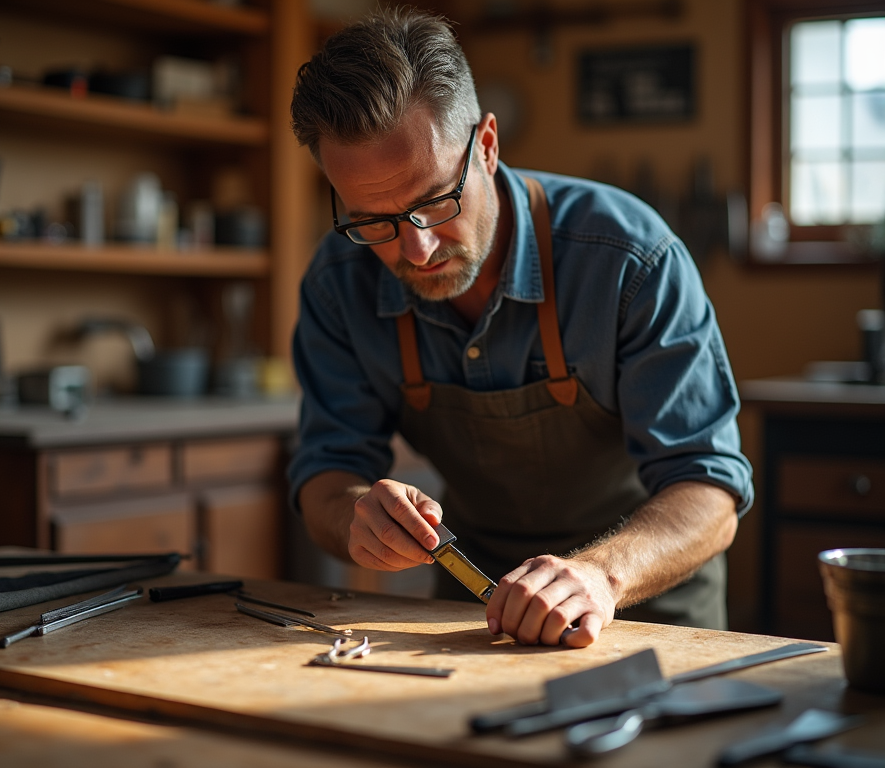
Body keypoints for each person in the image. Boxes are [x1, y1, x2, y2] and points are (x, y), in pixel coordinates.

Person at [287, 7, 753, 648]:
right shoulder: (337, 284)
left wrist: (600, 576)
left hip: (645, 613)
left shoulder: (630, 260)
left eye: (434, 203)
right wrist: (353, 516)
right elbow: (325, 474)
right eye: (375, 221)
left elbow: (709, 491)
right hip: (471, 615)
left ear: (487, 146)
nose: (415, 251)